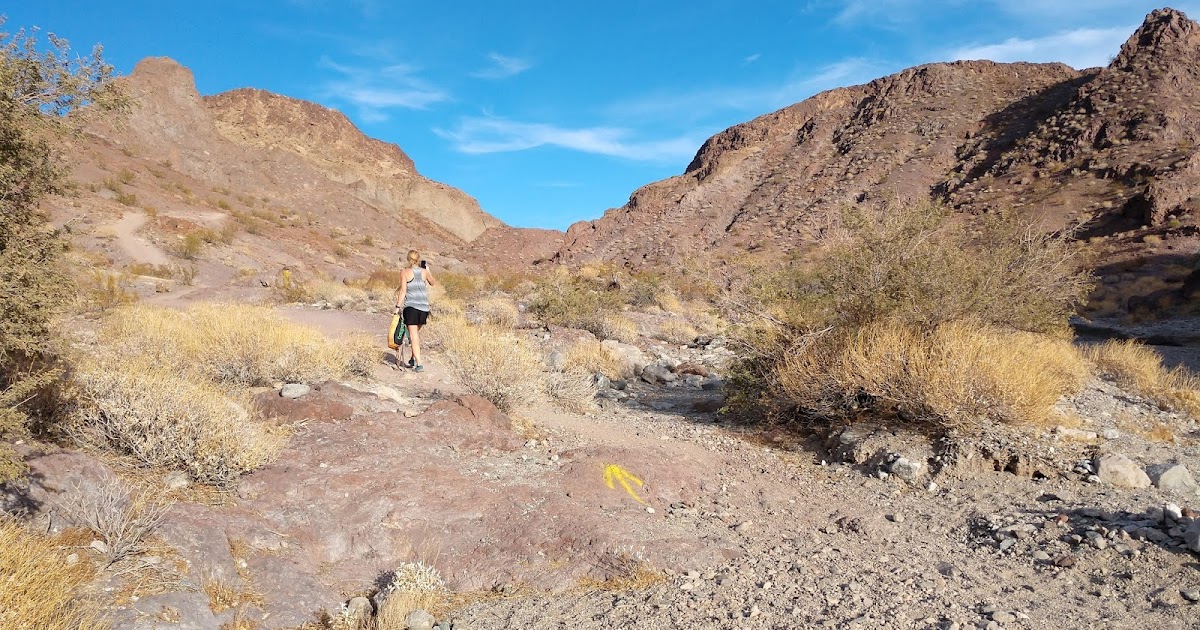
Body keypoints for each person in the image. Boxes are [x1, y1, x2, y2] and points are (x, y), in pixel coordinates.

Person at [394, 250, 435, 372]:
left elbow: (403, 291)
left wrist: (397, 306)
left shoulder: (404, 272)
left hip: (411, 307)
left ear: (408, 259)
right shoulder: (424, 272)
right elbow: (432, 283)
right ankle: (413, 358)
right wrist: (428, 271)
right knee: (415, 334)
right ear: (418, 259)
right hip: (424, 308)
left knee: (413, 335)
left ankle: (419, 363)